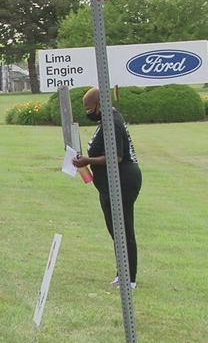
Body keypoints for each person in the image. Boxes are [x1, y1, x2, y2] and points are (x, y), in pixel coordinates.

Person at [72, 87, 142, 289]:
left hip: (123, 181)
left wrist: (88, 159)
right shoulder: (105, 121)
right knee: (114, 230)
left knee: (123, 230)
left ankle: (129, 279)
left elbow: (116, 156)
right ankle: (122, 273)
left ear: (99, 105)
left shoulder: (113, 122)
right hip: (108, 185)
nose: (87, 113)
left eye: (89, 108)